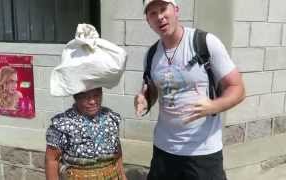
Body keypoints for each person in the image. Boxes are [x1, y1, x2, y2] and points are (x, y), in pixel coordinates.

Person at [134, 0, 245, 180]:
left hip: (203, 152)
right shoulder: (152, 54)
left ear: (176, 10)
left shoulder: (204, 42)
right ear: (148, 20)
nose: (160, 17)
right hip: (164, 150)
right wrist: (145, 100)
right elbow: (153, 91)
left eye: (163, 9)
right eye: (152, 13)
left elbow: (237, 88)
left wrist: (214, 106)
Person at [46, 23, 127, 180]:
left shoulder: (111, 118)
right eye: (85, 97)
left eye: (96, 95)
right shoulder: (63, 124)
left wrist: (122, 175)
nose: (92, 101)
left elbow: (117, 152)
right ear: (75, 97)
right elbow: (51, 160)